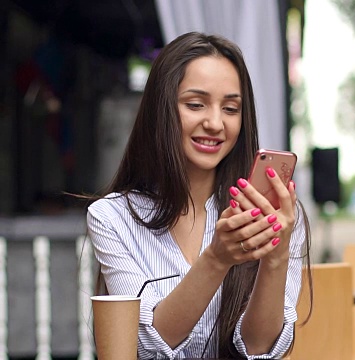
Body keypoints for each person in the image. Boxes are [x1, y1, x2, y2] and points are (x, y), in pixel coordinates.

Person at [85, 32, 311, 359]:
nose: (215, 123)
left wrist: (275, 256)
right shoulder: (112, 218)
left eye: (231, 108)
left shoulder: (278, 217)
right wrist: (217, 259)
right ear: (161, 109)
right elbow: (146, 344)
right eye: (195, 104)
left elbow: (261, 349)